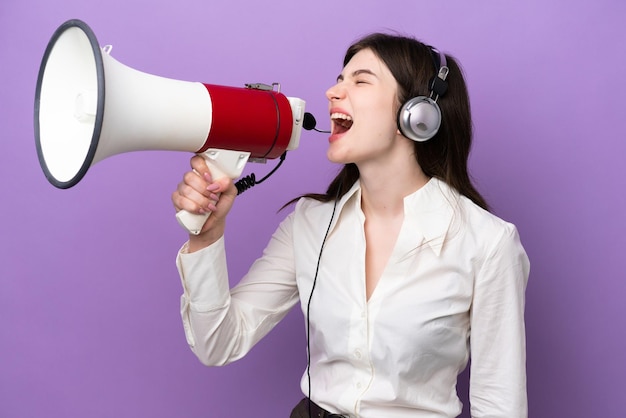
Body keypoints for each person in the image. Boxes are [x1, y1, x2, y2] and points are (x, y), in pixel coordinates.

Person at [171, 32, 530, 418]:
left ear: (417, 115)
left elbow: (500, 405)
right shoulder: (309, 224)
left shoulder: (488, 243)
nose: (332, 92)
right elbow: (218, 343)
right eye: (339, 78)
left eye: (360, 80)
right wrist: (206, 235)